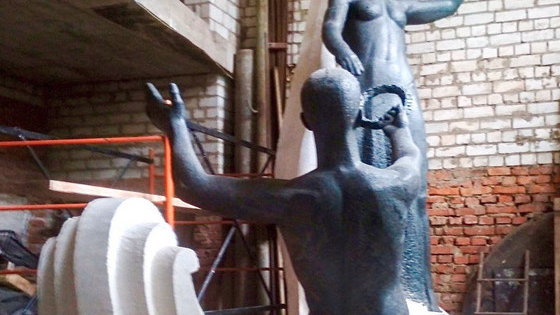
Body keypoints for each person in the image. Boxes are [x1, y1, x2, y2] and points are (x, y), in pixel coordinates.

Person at [146, 68, 423, 315]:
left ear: (306, 121)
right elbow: (411, 157)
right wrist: (399, 131)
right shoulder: (396, 184)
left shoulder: (290, 199)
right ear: (360, 116)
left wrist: (176, 126)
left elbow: (193, 186)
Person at [322, 0, 494, 310]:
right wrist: (342, 49)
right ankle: (372, 292)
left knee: (415, 191)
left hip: (404, 99)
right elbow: (330, 28)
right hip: (367, 94)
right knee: (367, 190)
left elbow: (448, 5)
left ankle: (418, 292)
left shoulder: (399, 5)